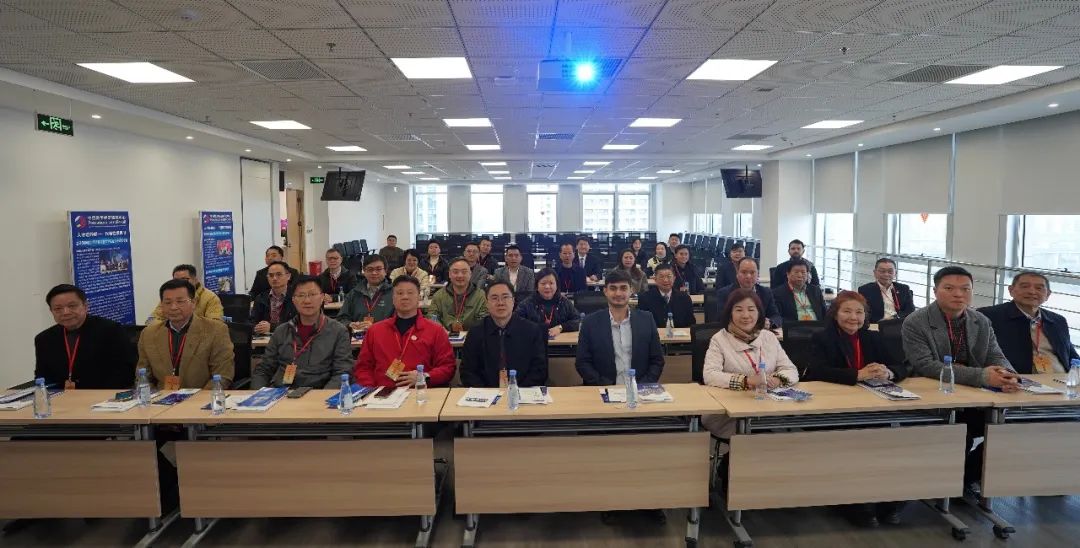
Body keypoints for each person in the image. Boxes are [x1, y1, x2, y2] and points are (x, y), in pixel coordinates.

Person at [903, 266, 1017, 494]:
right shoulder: (916, 321)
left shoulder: (980, 321)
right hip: (934, 396)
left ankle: (966, 479)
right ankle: (944, 485)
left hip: (975, 396)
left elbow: (995, 355)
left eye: (965, 289)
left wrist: (1007, 375)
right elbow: (926, 365)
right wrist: (982, 376)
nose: (958, 294)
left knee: (1010, 427)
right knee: (959, 432)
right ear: (935, 291)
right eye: (949, 288)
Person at [701, 289, 799, 438]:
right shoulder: (719, 339)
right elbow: (710, 375)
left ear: (759, 313)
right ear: (730, 313)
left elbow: (790, 369)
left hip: (769, 409)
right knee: (754, 441)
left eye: (751, 310)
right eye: (739, 310)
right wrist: (746, 381)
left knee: (787, 440)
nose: (746, 315)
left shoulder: (769, 337)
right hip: (730, 414)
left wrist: (778, 379)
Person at [353, 276, 456, 389]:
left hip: (420, 392)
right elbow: (363, 367)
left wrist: (424, 377)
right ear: (393, 299)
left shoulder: (436, 331)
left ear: (419, 297)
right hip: (381, 394)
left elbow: (448, 367)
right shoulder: (375, 331)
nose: (405, 297)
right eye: (400, 293)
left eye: (410, 293)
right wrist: (370, 390)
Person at [251, 276, 353, 389]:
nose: (307, 301)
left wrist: (322, 397)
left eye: (312, 294)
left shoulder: (338, 331)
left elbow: (342, 372)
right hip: (281, 393)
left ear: (322, 298)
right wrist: (258, 394)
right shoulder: (282, 331)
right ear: (293, 300)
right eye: (301, 295)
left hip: (318, 393)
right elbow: (264, 369)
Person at [137, 279, 234, 389]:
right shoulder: (148, 334)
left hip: (201, 396)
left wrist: (197, 398)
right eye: (167, 302)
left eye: (180, 301)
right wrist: (152, 397)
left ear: (193, 303)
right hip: (162, 396)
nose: (173, 307)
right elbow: (143, 376)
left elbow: (222, 376)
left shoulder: (215, 330)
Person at [34, 284, 135, 389]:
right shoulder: (44, 339)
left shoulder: (111, 331)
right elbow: (42, 377)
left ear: (86, 306)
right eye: (58, 308)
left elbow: (126, 374)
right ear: (51, 311)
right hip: (62, 396)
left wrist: (82, 390)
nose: (65, 312)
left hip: (102, 394)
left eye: (72, 306)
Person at [575, 270, 665, 386]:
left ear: (631, 290)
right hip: (603, 389)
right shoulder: (590, 322)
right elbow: (582, 363)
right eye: (613, 288)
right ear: (605, 291)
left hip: (639, 389)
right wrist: (605, 385)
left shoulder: (646, 320)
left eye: (623, 288)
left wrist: (642, 386)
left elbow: (657, 360)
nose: (618, 293)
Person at [979, 271, 1078, 374]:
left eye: (1039, 288)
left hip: (1062, 379)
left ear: (1048, 294)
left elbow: (1071, 356)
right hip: (1014, 379)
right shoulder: (988, 316)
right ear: (1011, 290)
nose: (1032, 292)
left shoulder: (1058, 320)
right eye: (1025, 286)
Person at [807, 291, 907, 385]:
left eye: (859, 312)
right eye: (847, 311)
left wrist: (888, 373)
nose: (853, 317)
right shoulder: (822, 338)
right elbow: (817, 371)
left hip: (869, 392)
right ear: (835, 315)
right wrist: (857, 375)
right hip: (837, 393)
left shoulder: (873, 337)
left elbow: (900, 366)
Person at [461, 281, 548, 388]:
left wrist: (516, 391)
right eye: (494, 298)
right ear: (487, 303)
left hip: (523, 392)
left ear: (513, 301)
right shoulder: (475, 333)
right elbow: (467, 371)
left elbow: (539, 370)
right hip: (485, 394)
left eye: (505, 297)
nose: (500, 303)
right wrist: (487, 393)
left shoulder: (532, 331)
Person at [715, 258, 783, 330]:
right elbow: (722, 318)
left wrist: (770, 322)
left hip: (760, 332)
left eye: (752, 272)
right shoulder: (724, 293)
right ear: (737, 273)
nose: (748, 276)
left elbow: (776, 317)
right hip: (734, 333)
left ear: (758, 274)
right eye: (744, 272)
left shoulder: (766, 292)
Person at [427, 258, 487, 332]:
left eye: (464, 272)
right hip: (444, 335)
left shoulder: (480, 295)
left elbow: (484, 318)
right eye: (455, 272)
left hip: (471, 335)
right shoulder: (439, 295)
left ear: (470, 274)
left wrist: (470, 331)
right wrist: (442, 330)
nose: (460, 275)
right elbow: (432, 316)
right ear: (449, 274)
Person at [517, 268, 582, 337]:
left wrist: (561, 327)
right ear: (537, 286)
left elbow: (577, 320)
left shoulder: (564, 302)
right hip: (534, 341)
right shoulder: (526, 304)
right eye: (543, 283)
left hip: (561, 342)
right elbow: (517, 322)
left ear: (557, 285)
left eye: (551, 283)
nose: (547, 287)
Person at [338, 255, 394, 333]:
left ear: (385, 271)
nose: (374, 273)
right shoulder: (354, 293)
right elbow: (341, 319)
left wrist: (375, 327)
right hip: (357, 337)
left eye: (378, 269)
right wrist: (349, 324)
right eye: (370, 269)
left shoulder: (394, 293)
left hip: (384, 337)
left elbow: (399, 322)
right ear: (364, 271)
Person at [151, 264, 224, 322]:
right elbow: (152, 320)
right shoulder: (169, 297)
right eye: (176, 280)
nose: (179, 283)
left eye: (184, 280)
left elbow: (215, 324)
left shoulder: (210, 298)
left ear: (195, 280)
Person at [636, 264, 696, 329]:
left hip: (680, 335)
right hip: (654, 335)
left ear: (674, 278)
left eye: (669, 276)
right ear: (655, 279)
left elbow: (691, 323)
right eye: (661, 277)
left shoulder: (684, 298)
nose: (665, 280)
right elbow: (642, 324)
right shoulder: (645, 298)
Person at [857, 258, 915, 323]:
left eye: (890, 271)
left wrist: (895, 318)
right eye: (882, 271)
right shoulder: (865, 290)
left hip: (899, 324)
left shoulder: (904, 289)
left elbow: (911, 311)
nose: (886, 274)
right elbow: (864, 314)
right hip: (877, 325)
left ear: (895, 273)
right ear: (875, 273)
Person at [250, 261, 297, 335]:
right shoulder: (261, 298)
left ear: (288, 276)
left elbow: (298, 324)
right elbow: (252, 322)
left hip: (289, 338)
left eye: (279, 274)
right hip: (264, 339)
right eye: (271, 275)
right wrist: (257, 328)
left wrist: (272, 327)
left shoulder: (297, 297)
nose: (274, 278)